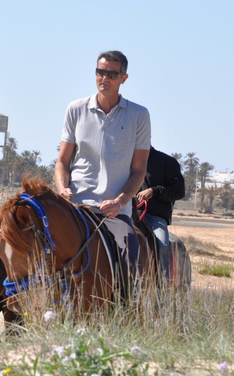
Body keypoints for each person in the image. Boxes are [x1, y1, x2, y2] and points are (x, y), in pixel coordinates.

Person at [55, 50, 151, 266]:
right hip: (77, 207)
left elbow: (139, 170)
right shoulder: (75, 109)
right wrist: (62, 189)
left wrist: (119, 202)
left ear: (124, 78)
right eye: (100, 72)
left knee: (130, 258)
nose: (104, 78)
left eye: (112, 74)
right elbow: (62, 162)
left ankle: (127, 301)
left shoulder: (139, 115)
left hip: (115, 212)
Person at [136, 146, 185, 280]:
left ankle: (162, 288)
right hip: (125, 214)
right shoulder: (124, 160)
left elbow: (179, 190)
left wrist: (155, 191)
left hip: (154, 217)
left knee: (162, 244)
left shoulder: (167, 162)